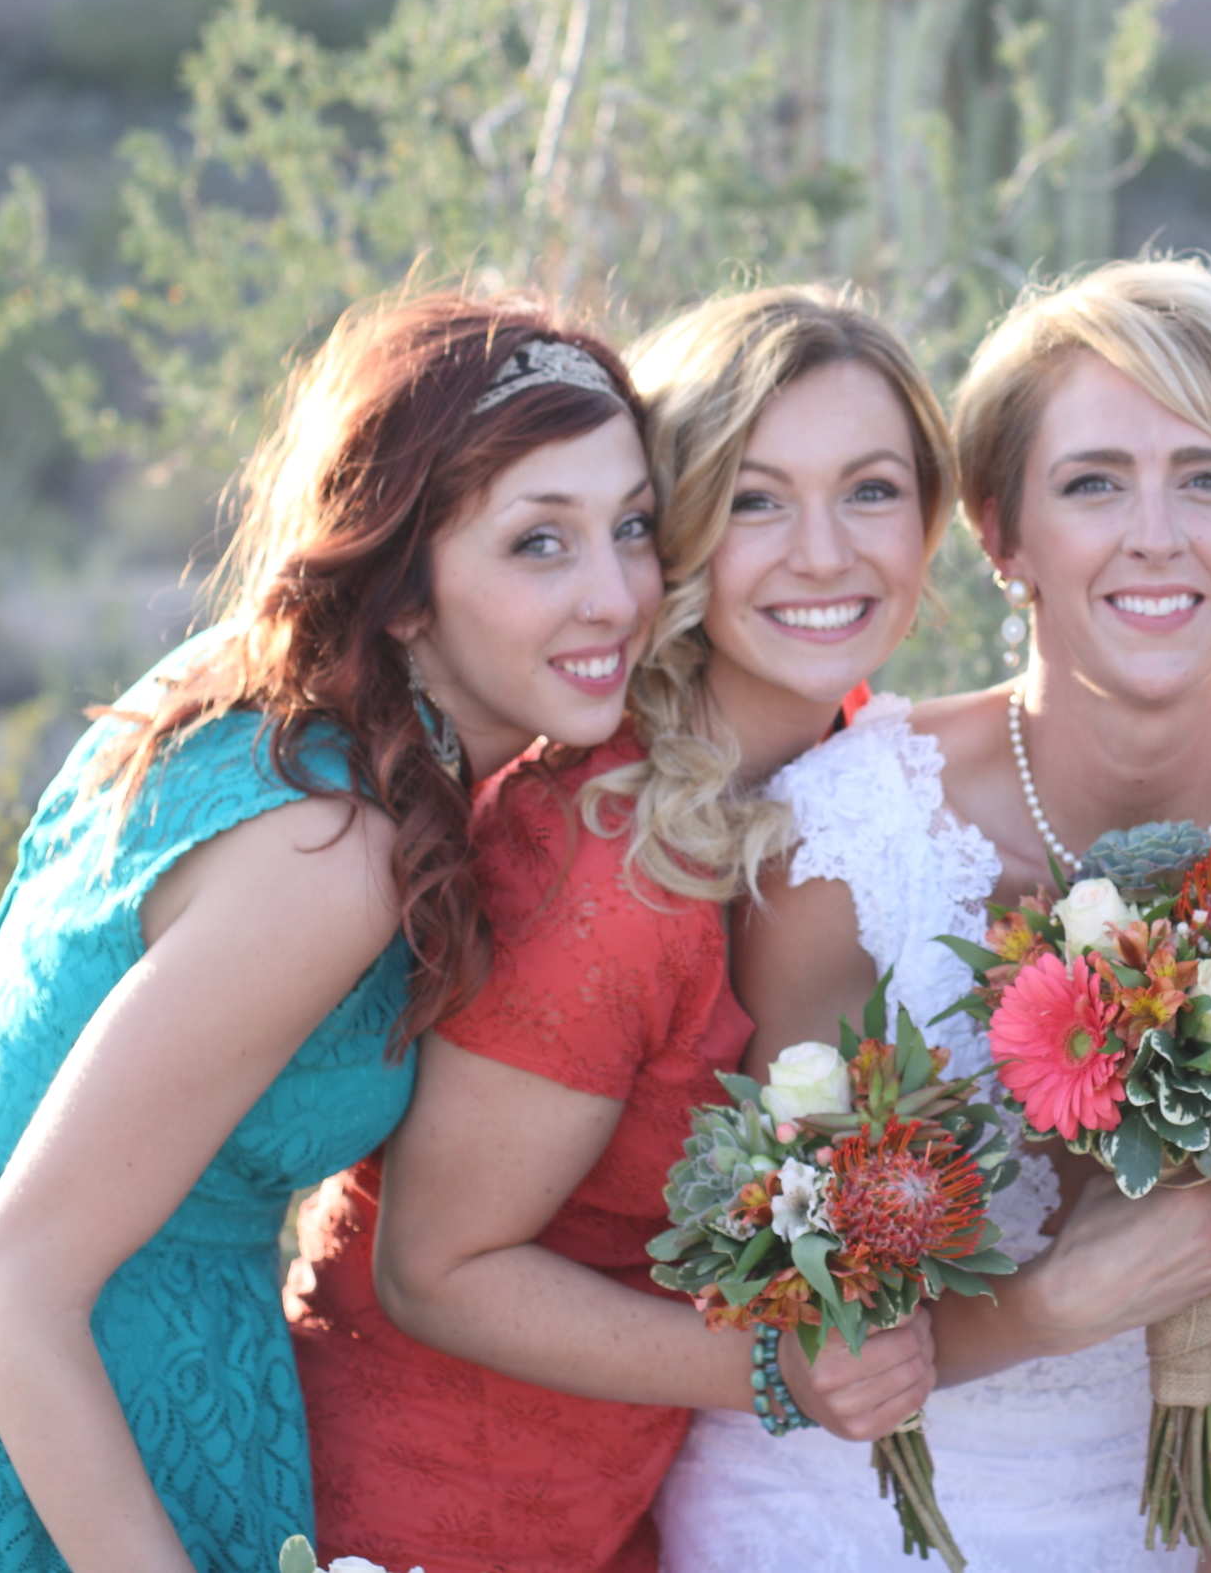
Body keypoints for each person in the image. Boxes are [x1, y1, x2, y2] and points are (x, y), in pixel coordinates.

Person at [655, 257, 1211, 1573]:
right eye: (1094, 481)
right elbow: (809, 1308)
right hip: (823, 1506)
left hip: (1168, 1517)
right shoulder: (843, 833)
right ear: (1000, 533)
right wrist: (1053, 1300)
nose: (1156, 533)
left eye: (1209, 477)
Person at [0, 291, 660, 1573]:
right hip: (43, 1435)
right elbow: (13, 1285)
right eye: (537, 544)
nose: (616, 593)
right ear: (402, 590)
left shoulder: (253, 683)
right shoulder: (328, 854)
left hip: (80, 1366)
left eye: (632, 526)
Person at [285, 287, 949, 1573]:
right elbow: (438, 1264)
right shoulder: (608, 857)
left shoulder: (856, 764)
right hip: (429, 1515)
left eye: (871, 490)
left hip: (621, 1509)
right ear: (678, 530)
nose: (826, 553)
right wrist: (781, 1361)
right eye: (756, 500)